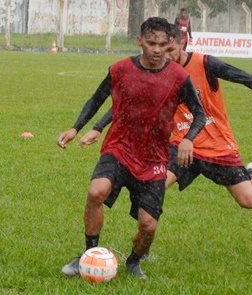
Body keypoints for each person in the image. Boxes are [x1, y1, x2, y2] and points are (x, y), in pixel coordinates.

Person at [80, 24, 252, 213]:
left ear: (182, 44)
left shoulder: (206, 64)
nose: (164, 55)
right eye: (161, 49)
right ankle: (141, 253)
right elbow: (129, 105)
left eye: (170, 49)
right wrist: (98, 127)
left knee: (249, 201)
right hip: (183, 144)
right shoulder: (159, 72)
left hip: (218, 145)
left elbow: (246, 79)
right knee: (151, 195)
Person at [57, 17, 206, 280]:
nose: (157, 50)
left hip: (154, 159)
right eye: (151, 43)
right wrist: (75, 128)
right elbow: (97, 99)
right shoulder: (121, 69)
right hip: (120, 149)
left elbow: (199, 113)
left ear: (171, 43)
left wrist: (188, 138)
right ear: (139, 41)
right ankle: (89, 255)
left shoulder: (179, 77)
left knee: (148, 225)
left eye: (163, 44)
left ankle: (134, 262)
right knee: (96, 192)